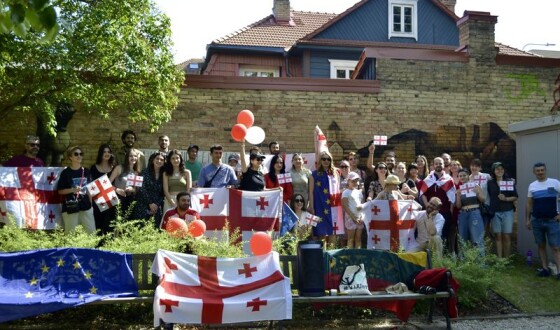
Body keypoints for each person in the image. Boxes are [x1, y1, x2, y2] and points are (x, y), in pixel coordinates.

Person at [526, 162, 560, 278]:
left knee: (555, 247)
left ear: (545, 170)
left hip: (552, 221)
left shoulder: (555, 183)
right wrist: (527, 219)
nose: (540, 172)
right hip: (537, 221)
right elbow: (529, 204)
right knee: (541, 245)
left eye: (542, 170)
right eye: (538, 170)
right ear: (534, 172)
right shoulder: (532, 186)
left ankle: (559, 272)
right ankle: (545, 269)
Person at [420, 157, 456, 255]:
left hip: (445, 211)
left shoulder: (449, 179)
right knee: (430, 234)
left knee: (444, 235)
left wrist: (451, 211)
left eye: (440, 163)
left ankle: (443, 257)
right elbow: (423, 193)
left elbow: (452, 197)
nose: (438, 165)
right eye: (436, 163)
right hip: (431, 211)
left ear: (443, 165)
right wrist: (427, 204)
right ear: (433, 165)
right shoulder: (428, 179)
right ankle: (431, 257)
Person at [57, 146, 95, 233]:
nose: (79, 156)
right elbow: (60, 191)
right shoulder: (66, 173)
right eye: (76, 154)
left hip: (86, 207)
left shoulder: (86, 171)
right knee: (71, 234)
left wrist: (91, 205)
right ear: (70, 157)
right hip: (71, 207)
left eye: (81, 154)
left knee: (91, 233)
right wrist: (73, 190)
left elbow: (89, 190)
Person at [308, 150, 341, 247]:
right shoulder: (313, 174)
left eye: (328, 159)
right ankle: (322, 255)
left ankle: (331, 256)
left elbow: (337, 189)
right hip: (319, 206)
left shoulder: (336, 173)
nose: (326, 161)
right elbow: (310, 192)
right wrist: (312, 207)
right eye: (324, 159)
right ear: (320, 160)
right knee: (321, 232)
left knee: (333, 231)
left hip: (333, 206)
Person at [487, 162, 518, 258]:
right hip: (495, 212)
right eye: (497, 169)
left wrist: (506, 199)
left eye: (501, 169)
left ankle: (506, 258)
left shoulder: (509, 181)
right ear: (493, 171)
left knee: (507, 235)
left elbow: (515, 196)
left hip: (507, 211)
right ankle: (500, 259)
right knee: (498, 236)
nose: (500, 171)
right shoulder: (490, 183)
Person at [455, 168, 485, 254]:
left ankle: (480, 264)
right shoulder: (459, 189)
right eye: (460, 176)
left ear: (468, 176)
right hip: (463, 214)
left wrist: (477, 193)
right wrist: (458, 196)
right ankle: (465, 263)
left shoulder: (475, 185)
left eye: (464, 175)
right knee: (463, 239)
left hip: (474, 212)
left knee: (477, 238)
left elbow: (483, 200)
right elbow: (458, 206)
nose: (462, 177)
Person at [134, 152, 166, 227]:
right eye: (157, 159)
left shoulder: (164, 175)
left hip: (156, 207)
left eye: (161, 160)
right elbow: (141, 188)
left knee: (155, 229)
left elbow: (163, 192)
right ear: (152, 160)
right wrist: (150, 203)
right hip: (143, 204)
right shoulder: (144, 172)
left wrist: (156, 205)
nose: (159, 161)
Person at [90, 144, 116, 234]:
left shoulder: (115, 168)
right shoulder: (94, 168)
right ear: (100, 153)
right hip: (98, 201)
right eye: (104, 152)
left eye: (108, 152)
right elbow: (91, 186)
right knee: (99, 226)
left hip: (112, 201)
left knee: (110, 225)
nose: (106, 153)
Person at [109, 149, 140, 219]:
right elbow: (107, 184)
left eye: (135, 156)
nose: (133, 158)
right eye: (131, 156)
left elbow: (136, 190)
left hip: (129, 201)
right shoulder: (119, 168)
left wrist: (132, 189)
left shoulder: (136, 172)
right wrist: (116, 189)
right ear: (127, 157)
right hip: (117, 200)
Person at [341, 172, 365, 248]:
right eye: (353, 181)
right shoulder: (345, 192)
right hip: (350, 218)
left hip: (359, 218)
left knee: (358, 239)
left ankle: (358, 257)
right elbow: (344, 206)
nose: (355, 183)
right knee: (350, 239)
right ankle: (349, 258)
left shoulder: (359, 193)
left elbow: (362, 205)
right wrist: (353, 217)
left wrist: (362, 217)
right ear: (348, 181)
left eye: (357, 181)